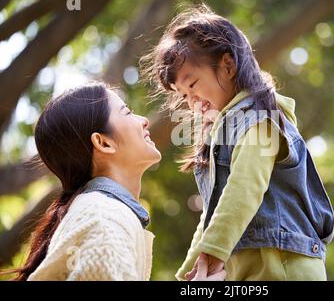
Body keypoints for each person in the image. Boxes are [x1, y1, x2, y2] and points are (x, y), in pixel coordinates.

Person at [140, 5, 334, 281]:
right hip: (250, 270)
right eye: (183, 96)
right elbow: (212, 213)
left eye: (193, 84)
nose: (192, 101)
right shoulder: (219, 135)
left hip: (285, 266)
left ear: (228, 65)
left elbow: (245, 187)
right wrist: (190, 270)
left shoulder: (260, 118)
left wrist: (214, 250)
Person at [0, 82, 225, 281]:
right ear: (104, 143)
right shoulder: (105, 219)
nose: (144, 121)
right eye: (127, 113)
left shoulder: (100, 213)